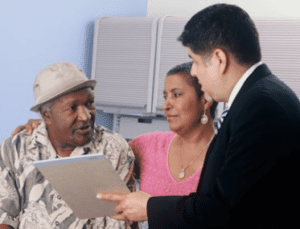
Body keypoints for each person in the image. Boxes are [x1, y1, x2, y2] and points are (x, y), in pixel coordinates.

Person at [97, 3, 300, 228]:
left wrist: (149, 207)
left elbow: (221, 209)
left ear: (219, 60)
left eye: (194, 61)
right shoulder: (263, 96)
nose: (193, 71)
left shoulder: (260, 108)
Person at [12, 62, 218, 228]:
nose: (166, 105)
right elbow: (100, 151)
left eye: (176, 94)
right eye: (165, 96)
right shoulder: (149, 146)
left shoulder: (227, 157)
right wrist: (49, 126)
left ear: (206, 100)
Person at [0, 62, 136, 229]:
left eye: (89, 103)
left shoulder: (113, 148)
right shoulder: (16, 148)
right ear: (47, 115)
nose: (86, 116)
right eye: (73, 108)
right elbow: (4, 215)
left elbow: (122, 221)